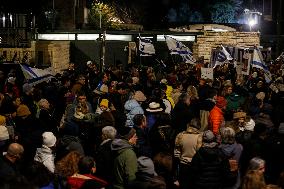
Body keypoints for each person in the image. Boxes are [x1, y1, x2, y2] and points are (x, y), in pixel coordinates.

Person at [174, 118, 203, 189]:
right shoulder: (200, 137)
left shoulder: (180, 135)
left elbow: (176, 153)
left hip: (182, 166)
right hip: (194, 166)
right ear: (199, 126)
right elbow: (200, 153)